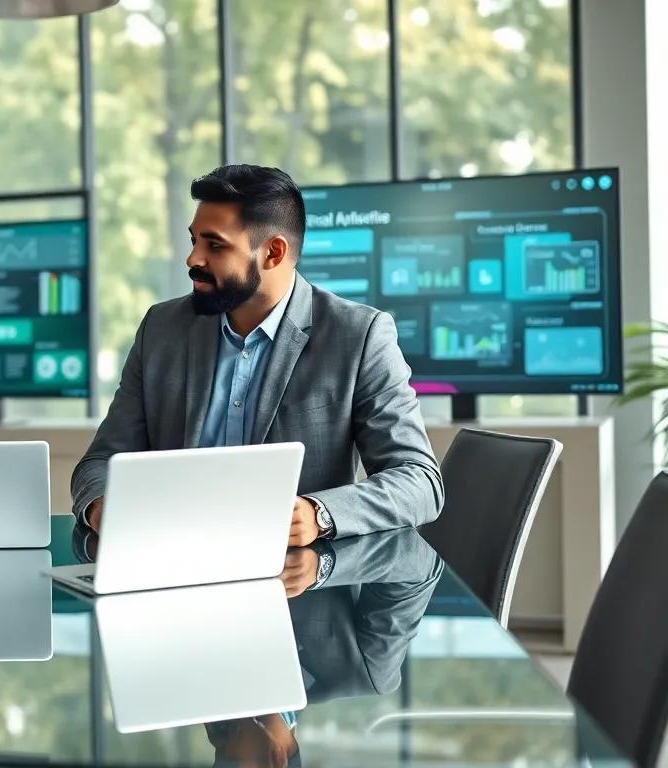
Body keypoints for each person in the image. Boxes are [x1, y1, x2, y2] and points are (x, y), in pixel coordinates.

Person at [72, 164, 443, 543]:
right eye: (193, 241)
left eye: (214, 245)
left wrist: (319, 514)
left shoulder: (359, 335)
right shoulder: (161, 328)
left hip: (297, 583)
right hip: (170, 564)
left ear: (273, 252)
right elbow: (101, 461)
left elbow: (419, 481)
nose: (193, 259)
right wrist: (103, 504)